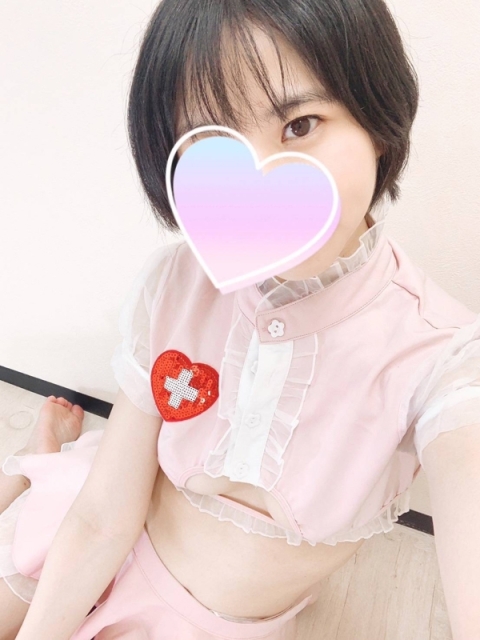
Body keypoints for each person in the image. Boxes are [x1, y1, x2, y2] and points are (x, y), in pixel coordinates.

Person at [1, 0, 480, 638]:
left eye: (301, 124)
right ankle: (37, 462)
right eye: (211, 142)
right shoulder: (174, 283)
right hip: (89, 528)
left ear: (378, 119)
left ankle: (36, 459)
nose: (262, 179)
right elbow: (100, 517)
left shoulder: (441, 358)